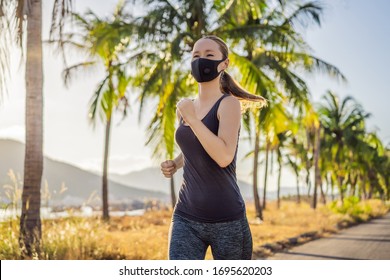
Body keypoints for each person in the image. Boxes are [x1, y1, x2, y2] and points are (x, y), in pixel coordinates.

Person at [160, 35, 267, 260]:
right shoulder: (186, 108)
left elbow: (223, 156)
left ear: (224, 63)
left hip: (227, 219)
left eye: (209, 55)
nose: (202, 61)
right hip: (186, 216)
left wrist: (193, 120)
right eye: (196, 56)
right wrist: (176, 163)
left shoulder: (228, 104)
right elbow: (196, 144)